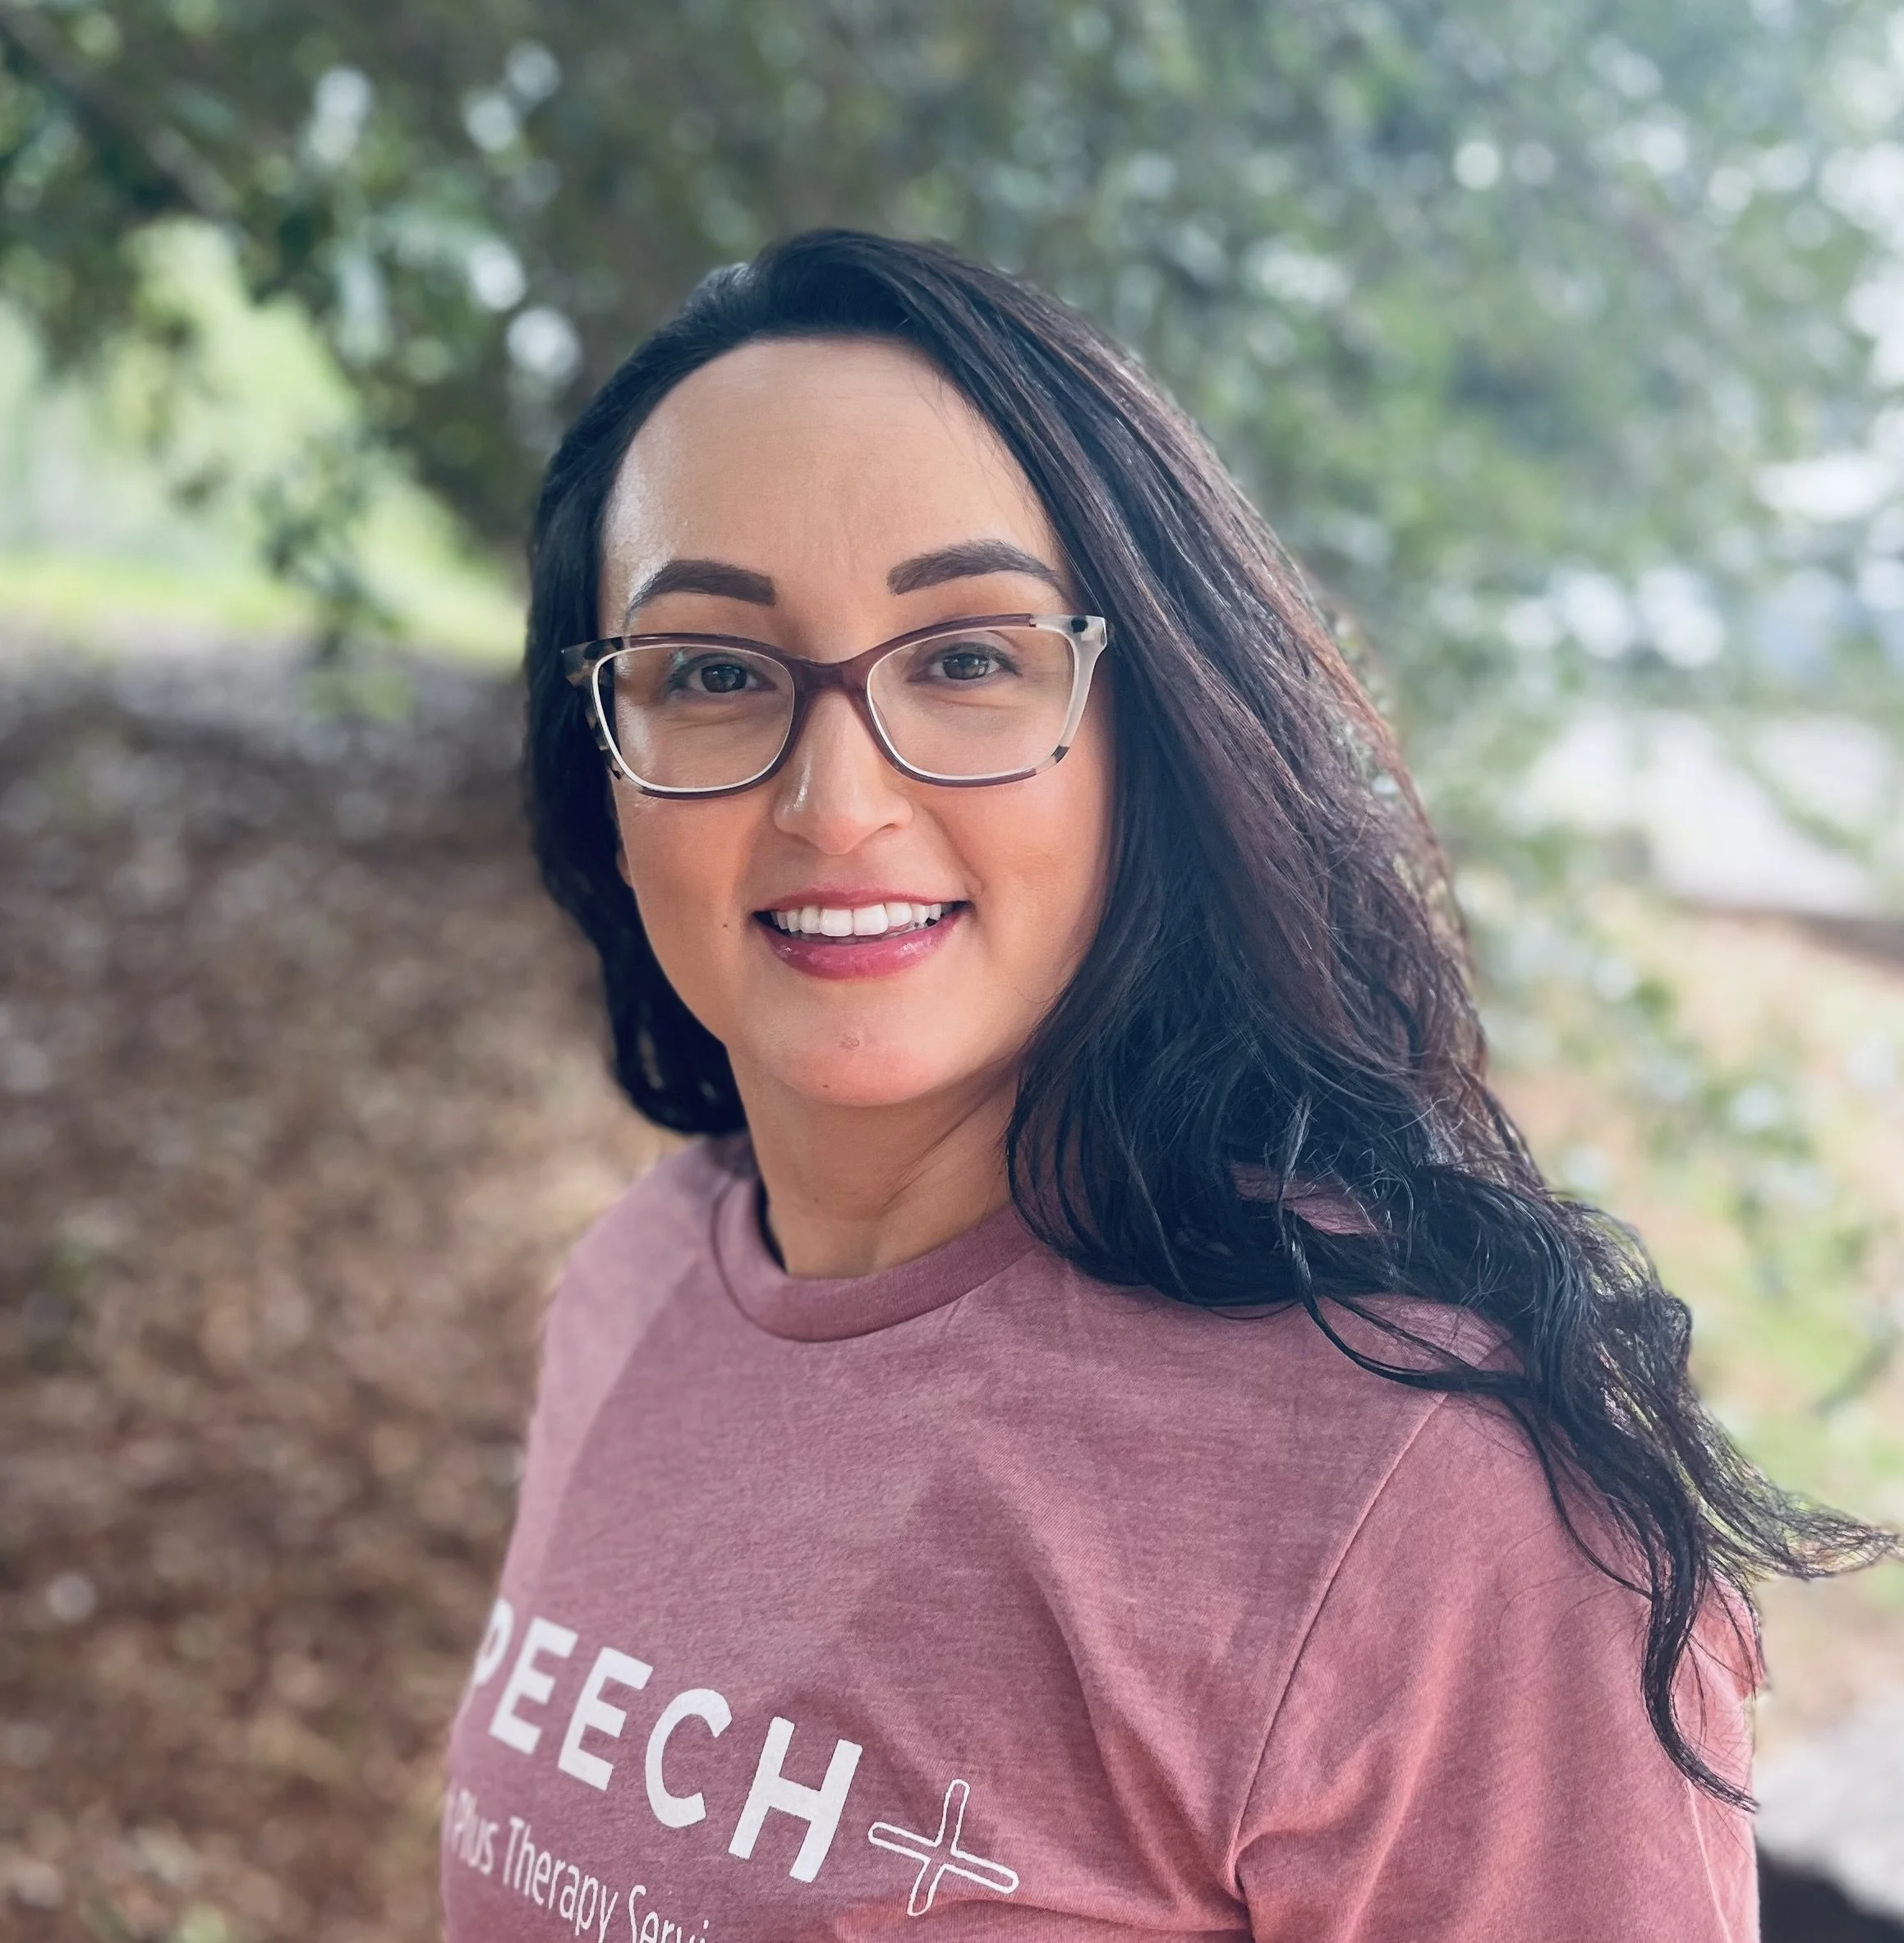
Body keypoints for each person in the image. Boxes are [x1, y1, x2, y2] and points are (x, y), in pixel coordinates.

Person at [439, 230, 1888, 1941]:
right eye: (713, 672)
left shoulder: (1427, 1491)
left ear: (1153, 729)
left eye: (968, 656)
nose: (835, 800)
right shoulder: (638, 1279)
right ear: (601, 759)